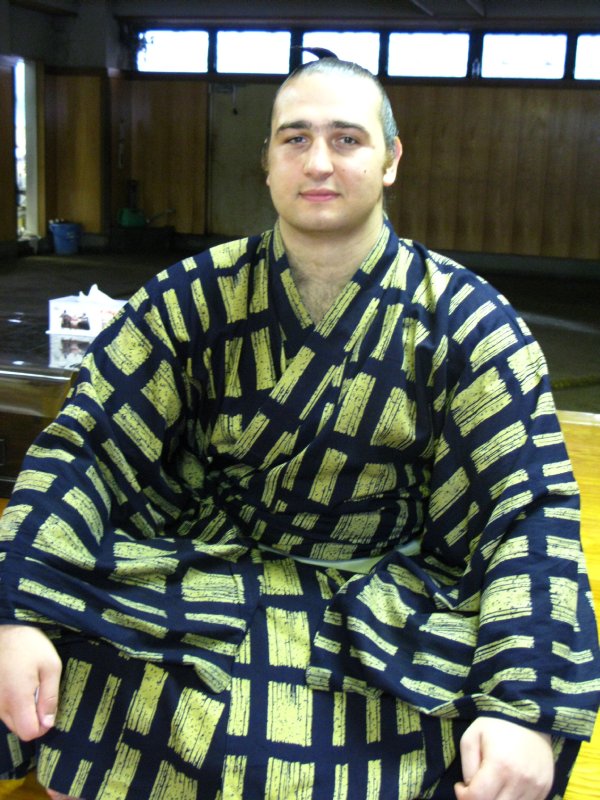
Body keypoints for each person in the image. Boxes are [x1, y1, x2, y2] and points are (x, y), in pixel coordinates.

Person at [0, 56, 598, 800]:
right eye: (295, 139)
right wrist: (16, 607)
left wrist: (522, 704)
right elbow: (89, 444)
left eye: (347, 139)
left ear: (391, 160)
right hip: (199, 579)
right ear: (268, 161)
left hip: (381, 614)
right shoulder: (190, 297)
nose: (318, 162)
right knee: (50, 654)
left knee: (484, 732)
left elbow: (528, 509)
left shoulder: (470, 322)